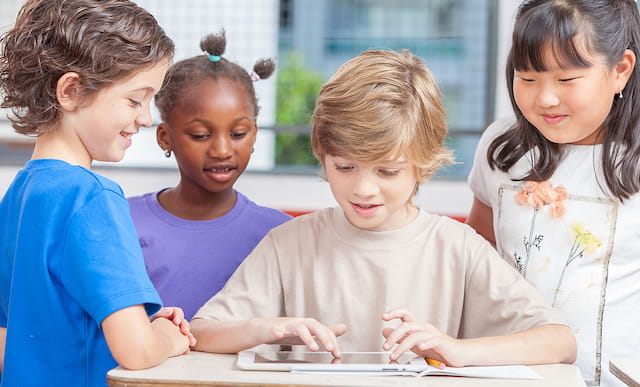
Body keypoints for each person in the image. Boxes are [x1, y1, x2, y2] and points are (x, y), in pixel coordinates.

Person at [189, 49, 577, 367]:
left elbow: (559, 342)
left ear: (423, 162)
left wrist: (454, 349)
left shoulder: (458, 248)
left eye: (388, 170)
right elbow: (203, 331)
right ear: (323, 155)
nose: (363, 189)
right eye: (344, 167)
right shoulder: (289, 244)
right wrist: (267, 329)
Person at [0, 1, 196, 385]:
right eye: (134, 99)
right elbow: (136, 351)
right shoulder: (92, 198)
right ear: (71, 91)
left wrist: (141, 323)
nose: (145, 117)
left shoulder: (19, 196)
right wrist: (167, 337)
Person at [465, 1, 640, 385]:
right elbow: (478, 257)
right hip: (509, 375)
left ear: (620, 70)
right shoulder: (501, 148)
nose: (544, 98)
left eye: (566, 80)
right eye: (527, 78)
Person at [128, 30, 291, 321]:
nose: (222, 150)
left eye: (238, 133)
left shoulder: (280, 234)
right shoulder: (124, 222)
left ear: (254, 134)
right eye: (201, 135)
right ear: (165, 137)